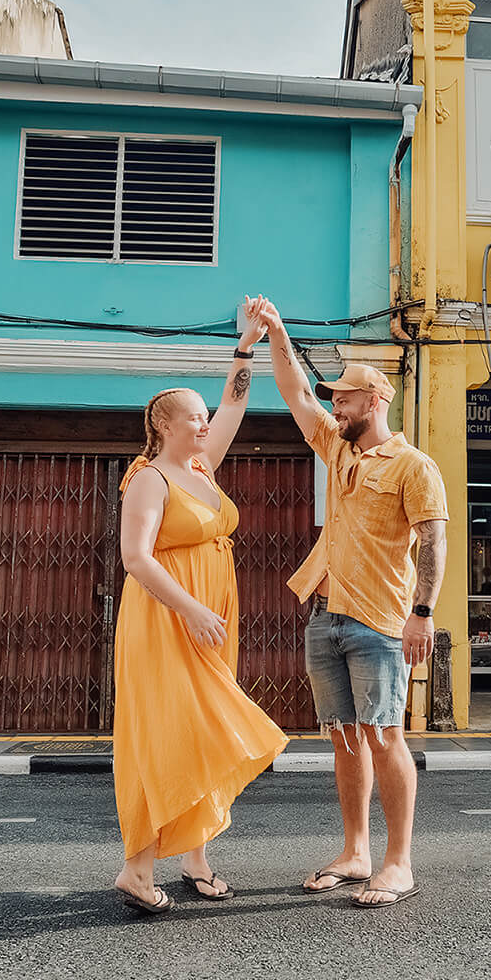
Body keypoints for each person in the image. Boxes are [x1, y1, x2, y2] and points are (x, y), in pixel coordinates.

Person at [258, 303, 448, 909]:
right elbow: (293, 391)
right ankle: (356, 849)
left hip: (380, 621)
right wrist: (280, 333)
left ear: (374, 402)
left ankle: (398, 862)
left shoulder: (414, 466)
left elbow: (435, 542)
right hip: (326, 613)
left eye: (344, 399)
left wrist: (423, 613)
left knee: (385, 735)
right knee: (343, 737)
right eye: (333, 400)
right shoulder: (337, 450)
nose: (334, 408)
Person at [111, 297, 288, 915]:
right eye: (194, 417)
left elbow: (237, 399)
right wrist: (189, 607)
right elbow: (136, 557)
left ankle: (196, 857)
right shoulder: (149, 480)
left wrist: (247, 344)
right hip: (167, 617)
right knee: (167, 729)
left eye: (205, 415)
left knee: (201, 734)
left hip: (211, 615)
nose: (206, 423)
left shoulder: (202, 468)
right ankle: (136, 867)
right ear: (165, 425)